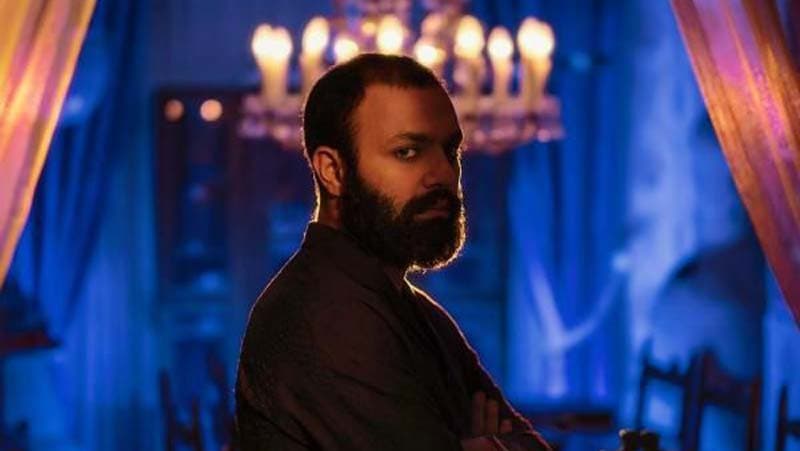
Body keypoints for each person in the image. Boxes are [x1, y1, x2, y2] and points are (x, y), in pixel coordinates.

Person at [236, 53, 551, 451]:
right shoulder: (323, 314)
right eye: (407, 152)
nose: (443, 174)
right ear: (333, 171)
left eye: (450, 151)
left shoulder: (418, 311)